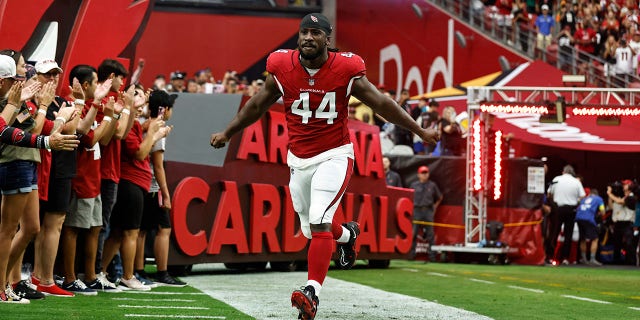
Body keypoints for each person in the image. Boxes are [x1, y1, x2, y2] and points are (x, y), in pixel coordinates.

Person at [210, 13, 438, 320]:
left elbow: (381, 104)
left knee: (318, 221)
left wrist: (420, 131)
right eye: (304, 32)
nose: (307, 38)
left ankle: (312, 292)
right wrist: (228, 131)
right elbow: (258, 103)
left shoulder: (346, 67)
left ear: (327, 39)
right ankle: (347, 235)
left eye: (315, 33)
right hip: (298, 158)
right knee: (310, 227)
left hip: (334, 154)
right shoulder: (281, 65)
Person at [133, 90, 186, 287]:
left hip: (143, 183)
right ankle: (161, 272)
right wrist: (165, 192)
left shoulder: (143, 123)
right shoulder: (157, 128)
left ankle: (138, 271)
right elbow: (158, 165)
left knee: (141, 231)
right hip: (151, 185)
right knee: (164, 229)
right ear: (165, 110)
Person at [547, 165, 585, 265]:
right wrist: (576, 202)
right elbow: (582, 195)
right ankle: (565, 258)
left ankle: (551, 256)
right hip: (571, 209)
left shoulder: (557, 179)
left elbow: (549, 193)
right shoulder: (576, 181)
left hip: (558, 208)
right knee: (568, 235)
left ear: (563, 171)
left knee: (554, 232)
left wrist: (553, 201)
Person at [409, 166, 442, 262]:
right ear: (418, 175)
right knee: (413, 233)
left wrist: (434, 207)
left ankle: (432, 256)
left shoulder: (432, 185)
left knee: (430, 234)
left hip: (428, 211)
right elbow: (408, 197)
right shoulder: (414, 185)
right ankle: (411, 255)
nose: (425, 175)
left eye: (426, 173)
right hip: (416, 210)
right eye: (423, 173)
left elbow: (439, 197)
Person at [607, 180, 636, 265]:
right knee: (616, 243)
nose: (623, 186)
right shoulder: (619, 196)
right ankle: (616, 262)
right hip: (618, 223)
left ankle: (631, 263)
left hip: (627, 223)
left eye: (625, 184)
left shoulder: (631, 197)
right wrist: (610, 195)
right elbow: (611, 206)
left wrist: (609, 193)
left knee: (628, 243)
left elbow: (621, 202)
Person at [575, 188, 605, 266]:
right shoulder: (599, 199)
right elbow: (603, 211)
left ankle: (584, 259)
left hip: (579, 218)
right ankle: (592, 259)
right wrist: (599, 214)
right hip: (589, 219)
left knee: (583, 239)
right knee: (595, 239)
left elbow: (578, 208)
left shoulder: (584, 199)